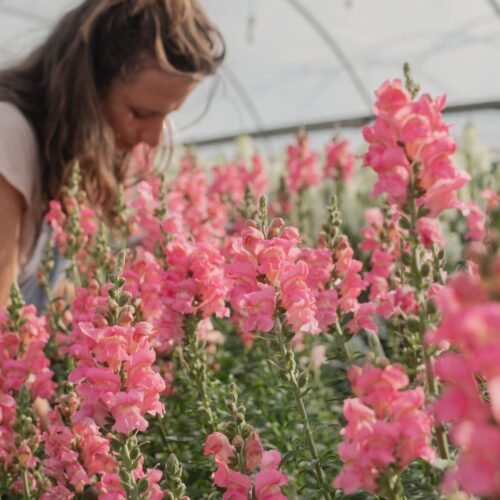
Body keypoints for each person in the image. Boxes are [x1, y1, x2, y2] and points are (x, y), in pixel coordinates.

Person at [0, 0, 225, 309]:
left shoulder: (54, 156)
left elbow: (40, 294)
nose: (154, 139)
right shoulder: (8, 132)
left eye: (167, 116)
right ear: (88, 89)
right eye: (140, 113)